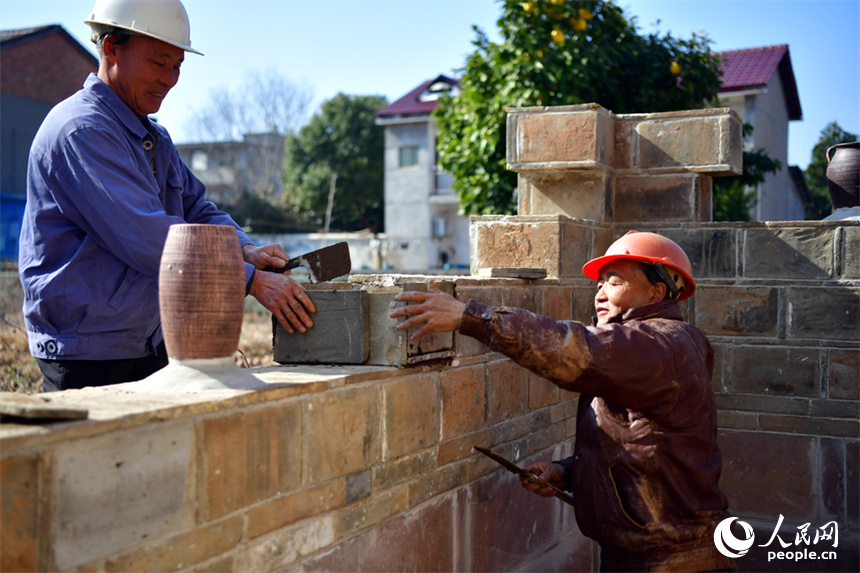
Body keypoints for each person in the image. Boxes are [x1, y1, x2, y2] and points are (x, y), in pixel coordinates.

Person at [390, 231, 735, 572]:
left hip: (676, 562)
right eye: (599, 283)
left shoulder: (662, 343)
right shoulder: (654, 345)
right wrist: (569, 472)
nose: (600, 293)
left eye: (614, 282)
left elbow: (572, 349)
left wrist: (471, 317)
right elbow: (646, 445)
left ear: (656, 292)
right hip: (640, 557)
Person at [18, 0, 315, 392]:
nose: (170, 79)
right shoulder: (82, 131)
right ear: (110, 48)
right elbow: (149, 238)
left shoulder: (153, 138)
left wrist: (245, 250)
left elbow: (197, 210)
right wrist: (251, 281)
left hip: (148, 343)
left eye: (177, 66)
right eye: (159, 63)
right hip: (87, 353)